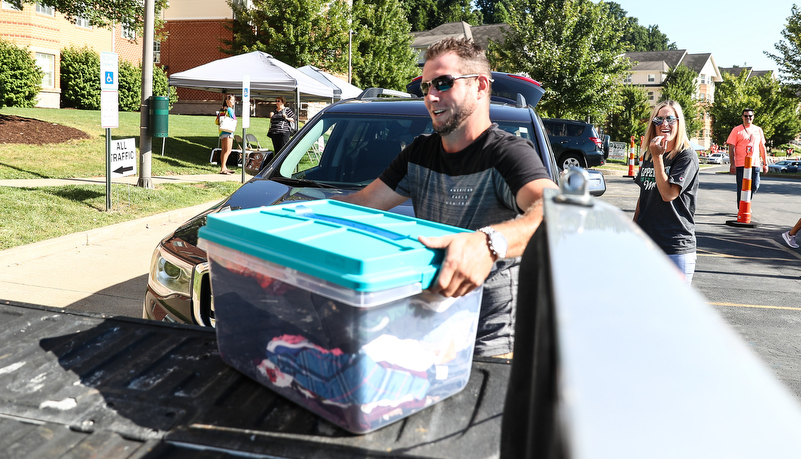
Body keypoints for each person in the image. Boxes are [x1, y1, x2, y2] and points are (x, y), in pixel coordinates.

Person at [337, 38, 558, 358]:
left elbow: (555, 211)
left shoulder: (507, 153)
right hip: (427, 319)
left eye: (443, 83)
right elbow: (363, 202)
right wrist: (294, 214)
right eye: (427, 85)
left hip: (490, 337)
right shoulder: (420, 152)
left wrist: (488, 243)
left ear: (480, 86)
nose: (430, 96)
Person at [633, 100, 700, 285]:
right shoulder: (649, 154)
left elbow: (668, 194)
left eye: (670, 119)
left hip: (675, 247)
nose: (664, 124)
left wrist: (657, 157)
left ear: (679, 123)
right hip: (647, 244)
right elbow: (643, 197)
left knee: (673, 311)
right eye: (658, 120)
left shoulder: (686, 156)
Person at [727, 108, 768, 208]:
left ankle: (746, 201)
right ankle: (741, 208)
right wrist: (732, 164)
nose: (748, 118)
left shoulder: (758, 130)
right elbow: (731, 147)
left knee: (755, 185)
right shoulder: (736, 130)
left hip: (755, 164)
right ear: (742, 117)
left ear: (753, 117)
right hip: (741, 164)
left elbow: (762, 147)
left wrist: (765, 163)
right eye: (746, 116)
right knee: (741, 187)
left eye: (750, 116)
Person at [215, 94, 237, 174]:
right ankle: (223, 168)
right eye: (232, 100)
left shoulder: (221, 110)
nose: (233, 102)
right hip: (228, 131)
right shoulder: (230, 110)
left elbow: (217, 121)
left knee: (223, 150)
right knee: (228, 150)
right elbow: (234, 120)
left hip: (222, 131)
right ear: (227, 101)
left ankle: (224, 167)